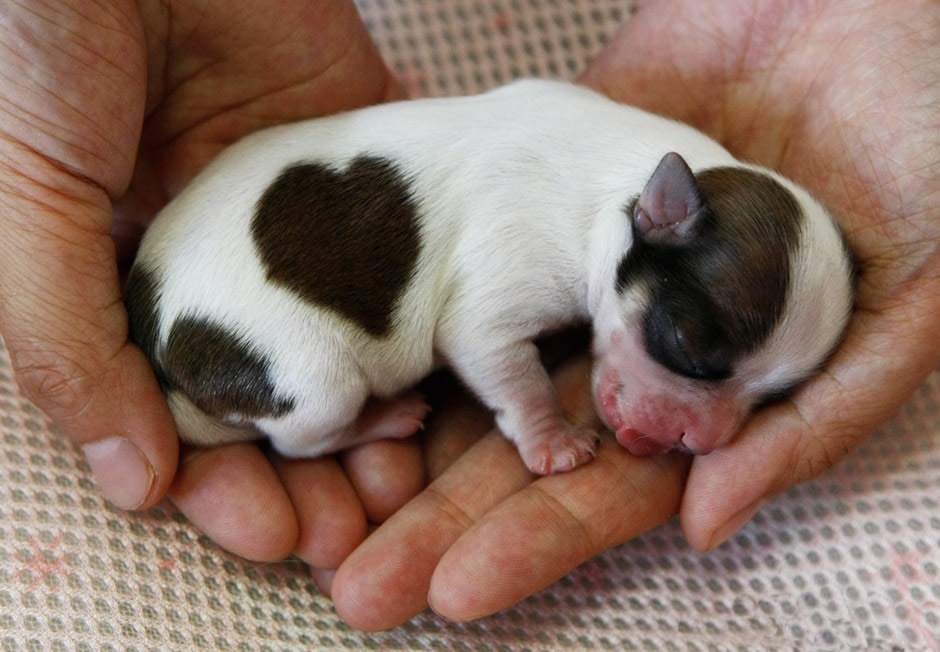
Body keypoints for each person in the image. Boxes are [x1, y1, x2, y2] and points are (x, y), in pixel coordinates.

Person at [0, 0, 935, 631]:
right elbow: (474, 330)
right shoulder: (537, 211)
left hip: (209, 255)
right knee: (322, 390)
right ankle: (315, 431)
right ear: (655, 217)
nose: (713, 429)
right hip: (237, 335)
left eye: (764, 391)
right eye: (692, 352)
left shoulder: (597, 145)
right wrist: (537, 425)